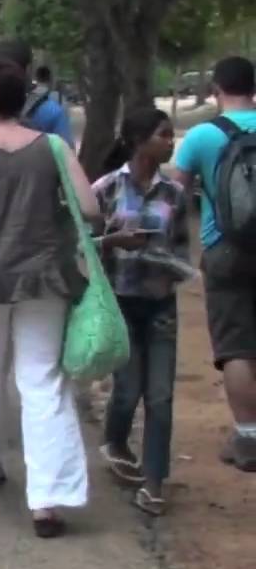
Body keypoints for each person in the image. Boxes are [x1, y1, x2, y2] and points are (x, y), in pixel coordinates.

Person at [0, 54, 100, 539]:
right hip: (43, 277)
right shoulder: (52, 146)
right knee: (43, 380)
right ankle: (47, 499)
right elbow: (90, 208)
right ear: (24, 98)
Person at [92, 108, 191, 514]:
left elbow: (184, 248)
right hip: (121, 303)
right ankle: (115, 440)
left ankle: (154, 484)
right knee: (128, 391)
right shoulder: (106, 188)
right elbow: (83, 242)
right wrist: (113, 241)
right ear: (137, 140)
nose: (170, 142)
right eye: (164, 135)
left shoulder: (176, 195)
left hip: (161, 303)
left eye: (171, 135)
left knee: (161, 397)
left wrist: (168, 263)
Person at [169, 55, 256, 472]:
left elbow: (175, 193)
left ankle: (248, 438)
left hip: (225, 250)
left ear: (216, 89)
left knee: (236, 346)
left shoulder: (203, 136)